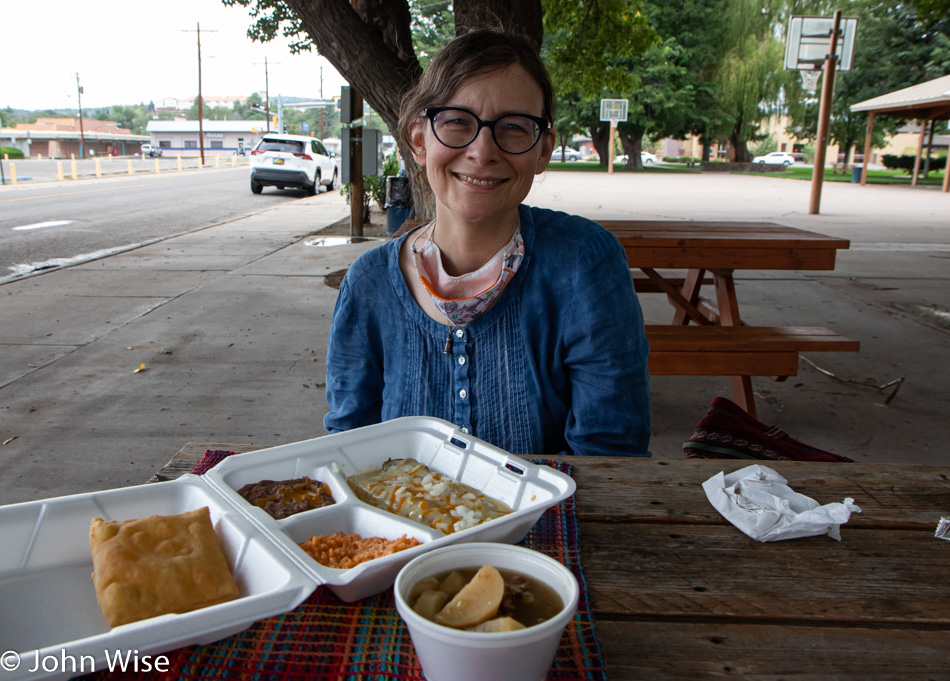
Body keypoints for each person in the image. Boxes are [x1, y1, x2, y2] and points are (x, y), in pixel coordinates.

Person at [324, 28, 650, 456]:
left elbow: (611, 456)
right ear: (419, 140)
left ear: (543, 150)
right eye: (457, 121)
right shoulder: (369, 285)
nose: (482, 151)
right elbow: (349, 448)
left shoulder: (584, 264)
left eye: (514, 127)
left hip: (549, 522)